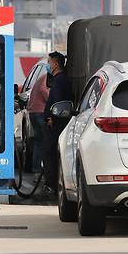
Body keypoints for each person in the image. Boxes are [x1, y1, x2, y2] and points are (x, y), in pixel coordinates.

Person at [42, 51, 73, 196]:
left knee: (50, 154)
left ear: (55, 63)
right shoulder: (60, 79)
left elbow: (58, 101)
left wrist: (52, 118)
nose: (48, 65)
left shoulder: (60, 81)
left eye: (49, 63)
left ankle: (52, 185)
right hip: (57, 123)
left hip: (56, 124)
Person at [26, 69, 49, 176]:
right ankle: (40, 171)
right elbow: (43, 90)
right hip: (40, 112)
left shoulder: (41, 77)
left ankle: (37, 171)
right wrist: (52, 99)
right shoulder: (46, 77)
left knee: (38, 142)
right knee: (43, 142)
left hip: (33, 112)